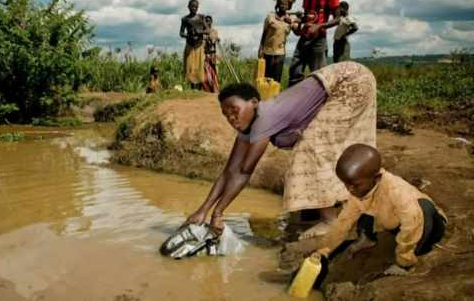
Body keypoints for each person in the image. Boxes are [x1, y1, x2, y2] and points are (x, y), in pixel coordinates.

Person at [183, 61, 376, 239]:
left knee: (309, 149)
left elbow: (244, 171)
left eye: (234, 110)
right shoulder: (248, 125)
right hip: (343, 80)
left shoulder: (264, 117)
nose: (232, 118)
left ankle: (330, 220)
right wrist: (203, 210)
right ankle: (338, 209)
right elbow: (230, 171)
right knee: (327, 146)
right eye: (226, 115)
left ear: (254, 103)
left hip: (350, 81)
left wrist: (218, 212)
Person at [314, 144, 447, 276]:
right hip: (394, 219)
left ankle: (412, 259)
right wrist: (323, 250)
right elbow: (343, 222)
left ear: (376, 178)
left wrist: (403, 260)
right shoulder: (362, 188)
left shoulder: (398, 193)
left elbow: (412, 226)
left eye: (355, 185)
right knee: (360, 205)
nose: (349, 189)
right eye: (346, 184)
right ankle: (368, 238)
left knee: (424, 211)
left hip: (426, 224)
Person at [288, 0, 341, 87]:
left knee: (319, 76)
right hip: (304, 38)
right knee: (295, 72)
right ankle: (293, 103)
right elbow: (307, 17)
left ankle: (321, 104)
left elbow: (338, 19)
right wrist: (296, 24)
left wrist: (319, 26)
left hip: (318, 40)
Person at [258, 0, 300, 83]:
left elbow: (298, 32)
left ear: (288, 6)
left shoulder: (290, 19)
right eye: (281, 4)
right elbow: (264, 33)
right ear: (277, 5)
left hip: (280, 53)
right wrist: (260, 48)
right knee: (265, 79)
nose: (283, 6)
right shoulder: (270, 17)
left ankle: (276, 96)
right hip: (267, 52)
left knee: (276, 80)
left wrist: (300, 20)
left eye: (285, 4)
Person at [180, 0, 208, 90]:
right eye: (192, 6)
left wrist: (200, 31)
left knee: (199, 66)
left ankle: (199, 88)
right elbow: (181, 33)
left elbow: (207, 30)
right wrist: (188, 36)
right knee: (190, 66)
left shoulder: (201, 17)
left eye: (196, 6)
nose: (194, 8)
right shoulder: (185, 19)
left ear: (198, 7)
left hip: (199, 45)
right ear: (188, 7)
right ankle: (192, 88)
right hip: (190, 45)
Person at [203, 15, 220, 93]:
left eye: (209, 21)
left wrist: (215, 39)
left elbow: (213, 41)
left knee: (215, 71)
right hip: (205, 54)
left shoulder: (214, 31)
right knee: (205, 73)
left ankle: (215, 89)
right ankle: (206, 89)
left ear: (211, 22)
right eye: (206, 21)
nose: (207, 22)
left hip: (213, 54)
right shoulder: (202, 32)